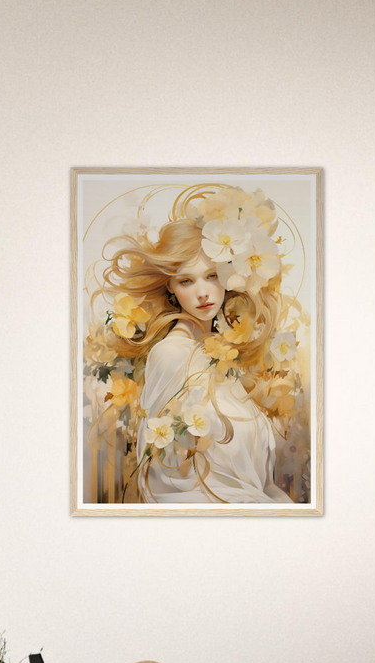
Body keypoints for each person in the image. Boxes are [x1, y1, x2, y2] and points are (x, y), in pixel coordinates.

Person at [85, 185, 308, 506]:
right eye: (186, 280)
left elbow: (261, 479)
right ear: (172, 289)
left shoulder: (224, 359)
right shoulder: (171, 354)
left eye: (212, 276)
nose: (203, 292)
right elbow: (165, 479)